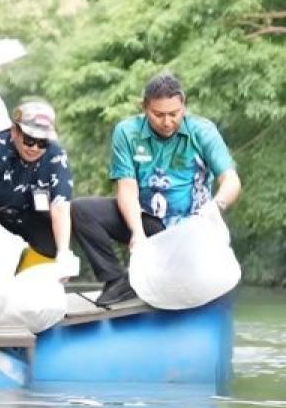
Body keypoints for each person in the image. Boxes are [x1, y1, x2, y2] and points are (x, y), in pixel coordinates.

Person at [71, 73, 241, 306]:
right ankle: (116, 279)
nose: (167, 122)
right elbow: (127, 187)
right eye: (158, 115)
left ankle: (151, 278)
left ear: (184, 106)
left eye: (174, 114)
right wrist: (137, 232)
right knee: (81, 210)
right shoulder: (127, 131)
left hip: (190, 228)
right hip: (149, 219)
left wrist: (215, 207)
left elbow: (231, 180)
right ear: (145, 108)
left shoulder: (202, 131)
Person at [0, 100, 77, 269]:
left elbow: (60, 206)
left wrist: (64, 251)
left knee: (52, 241)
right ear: (14, 132)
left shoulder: (56, 154)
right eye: (29, 140)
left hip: (28, 215)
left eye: (42, 142)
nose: (35, 148)